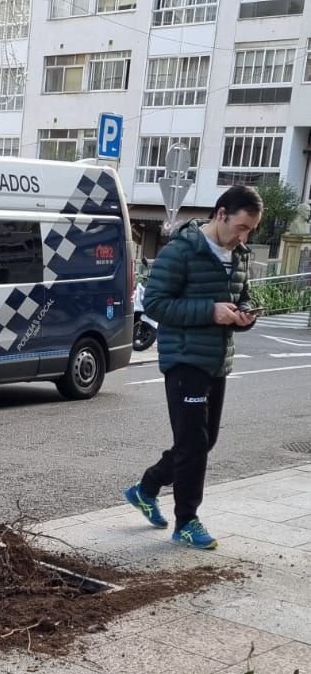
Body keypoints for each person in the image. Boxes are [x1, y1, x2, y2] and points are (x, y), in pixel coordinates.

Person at [123, 183, 261, 550]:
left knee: (204, 440)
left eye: (250, 230)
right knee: (194, 443)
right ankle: (187, 521)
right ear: (221, 215)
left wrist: (245, 314)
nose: (243, 236)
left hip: (216, 360)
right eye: (241, 227)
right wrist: (210, 311)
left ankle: (146, 488)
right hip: (184, 360)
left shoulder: (239, 254)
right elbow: (153, 304)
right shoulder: (182, 250)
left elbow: (241, 295)